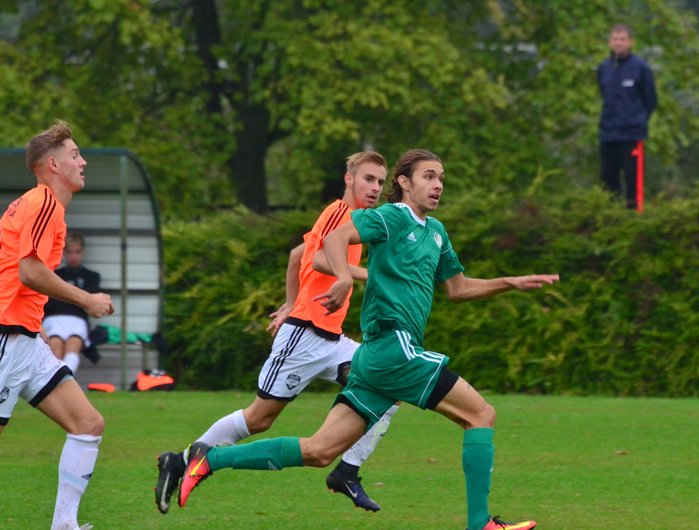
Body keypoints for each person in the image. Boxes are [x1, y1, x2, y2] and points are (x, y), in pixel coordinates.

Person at [177, 149, 559, 530]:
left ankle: (209, 460)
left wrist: (510, 283)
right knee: (481, 414)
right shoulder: (392, 217)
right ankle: (480, 524)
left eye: (441, 177)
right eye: (428, 176)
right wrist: (343, 276)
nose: (438, 184)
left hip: (377, 360)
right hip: (394, 348)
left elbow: (457, 288)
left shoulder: (437, 233)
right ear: (405, 183)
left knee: (320, 451)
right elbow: (335, 239)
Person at [154, 150, 397, 514]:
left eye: (380, 181)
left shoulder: (359, 220)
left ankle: (347, 470)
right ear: (349, 179)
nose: (375, 187)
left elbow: (297, 253)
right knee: (259, 418)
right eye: (368, 179)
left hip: (330, 340)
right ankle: (182, 459)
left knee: (389, 385)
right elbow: (316, 259)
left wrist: (290, 302)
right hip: (304, 337)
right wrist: (372, 278)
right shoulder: (338, 214)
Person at [0, 120, 115, 530]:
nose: (82, 162)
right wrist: (86, 299)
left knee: (87, 424)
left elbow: (20, 277)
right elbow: (30, 271)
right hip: (6, 338)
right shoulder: (44, 202)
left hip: (25, 340)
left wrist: (39, 331)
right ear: (52, 164)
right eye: (74, 154)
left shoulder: (41, 205)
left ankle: (64, 524)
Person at [597, 23, 657, 209]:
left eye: (622, 39)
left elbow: (650, 100)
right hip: (608, 134)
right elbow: (603, 95)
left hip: (632, 135)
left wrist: (636, 120)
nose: (618, 43)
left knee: (633, 184)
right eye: (615, 39)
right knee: (608, 182)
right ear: (609, 42)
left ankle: (634, 224)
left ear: (630, 42)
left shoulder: (640, 68)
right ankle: (610, 223)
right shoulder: (603, 68)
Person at [42, 231, 102, 376]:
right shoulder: (54, 275)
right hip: (53, 319)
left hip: (77, 320)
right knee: (55, 346)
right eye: (69, 252)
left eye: (77, 252)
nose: (73, 256)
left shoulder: (92, 277)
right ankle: (53, 383)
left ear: (83, 252)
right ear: (63, 253)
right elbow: (48, 302)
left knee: (73, 344)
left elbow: (89, 304)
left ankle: (66, 380)